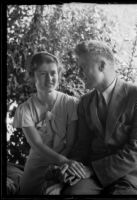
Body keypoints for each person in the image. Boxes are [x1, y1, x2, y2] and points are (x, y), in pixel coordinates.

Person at [61, 40, 137, 195]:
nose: (79, 73)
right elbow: (82, 146)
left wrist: (92, 170)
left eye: (82, 67)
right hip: (94, 176)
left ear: (102, 66)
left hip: (134, 174)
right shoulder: (85, 102)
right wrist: (70, 165)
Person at [13, 51, 85, 195]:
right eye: (43, 74)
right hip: (36, 168)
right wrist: (63, 161)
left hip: (62, 168)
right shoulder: (25, 110)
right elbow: (37, 145)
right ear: (33, 76)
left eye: (53, 73)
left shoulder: (71, 104)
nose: (50, 78)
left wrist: (60, 166)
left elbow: (71, 142)